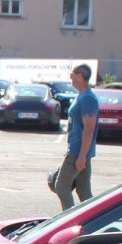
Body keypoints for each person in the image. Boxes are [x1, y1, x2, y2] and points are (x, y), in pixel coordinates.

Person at [51, 63, 99, 210]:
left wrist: (82, 155)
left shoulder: (87, 99)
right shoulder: (82, 96)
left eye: (72, 74)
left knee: (61, 186)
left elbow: (89, 128)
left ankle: (69, 221)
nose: (70, 77)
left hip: (78, 151)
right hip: (80, 150)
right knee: (83, 190)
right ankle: (94, 221)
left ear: (80, 76)